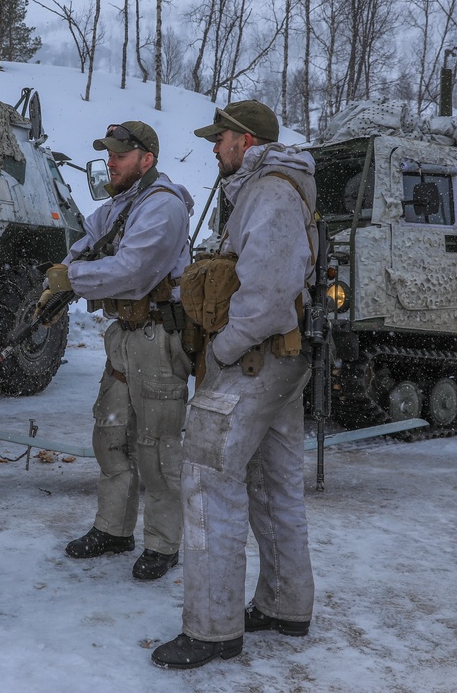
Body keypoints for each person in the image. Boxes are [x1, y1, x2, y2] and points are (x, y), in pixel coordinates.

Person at [152, 101, 317, 669]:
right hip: (279, 363)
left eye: (218, 137)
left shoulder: (268, 192)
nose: (213, 147)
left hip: (251, 361)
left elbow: (267, 297)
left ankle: (212, 628)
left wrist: (220, 351)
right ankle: (284, 606)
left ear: (244, 141)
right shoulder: (271, 189)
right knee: (275, 488)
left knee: (206, 482)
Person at [45, 121, 193, 581]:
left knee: (156, 447)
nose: (111, 162)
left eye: (120, 156)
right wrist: (62, 275)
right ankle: (113, 529)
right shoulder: (119, 206)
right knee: (110, 436)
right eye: (109, 154)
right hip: (125, 336)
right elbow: (85, 244)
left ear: (146, 160)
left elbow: (133, 271)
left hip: (157, 336)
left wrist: (72, 279)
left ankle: (164, 544)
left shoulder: (162, 207)